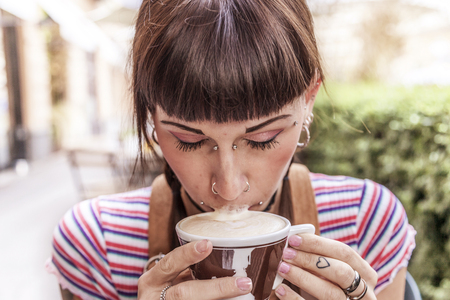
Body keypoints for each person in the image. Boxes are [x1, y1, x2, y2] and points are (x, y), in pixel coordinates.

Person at [46, 0, 416, 299]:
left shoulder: (365, 223)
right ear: (151, 119)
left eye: (262, 138)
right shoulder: (97, 246)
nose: (228, 187)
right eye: (189, 140)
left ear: (309, 101)